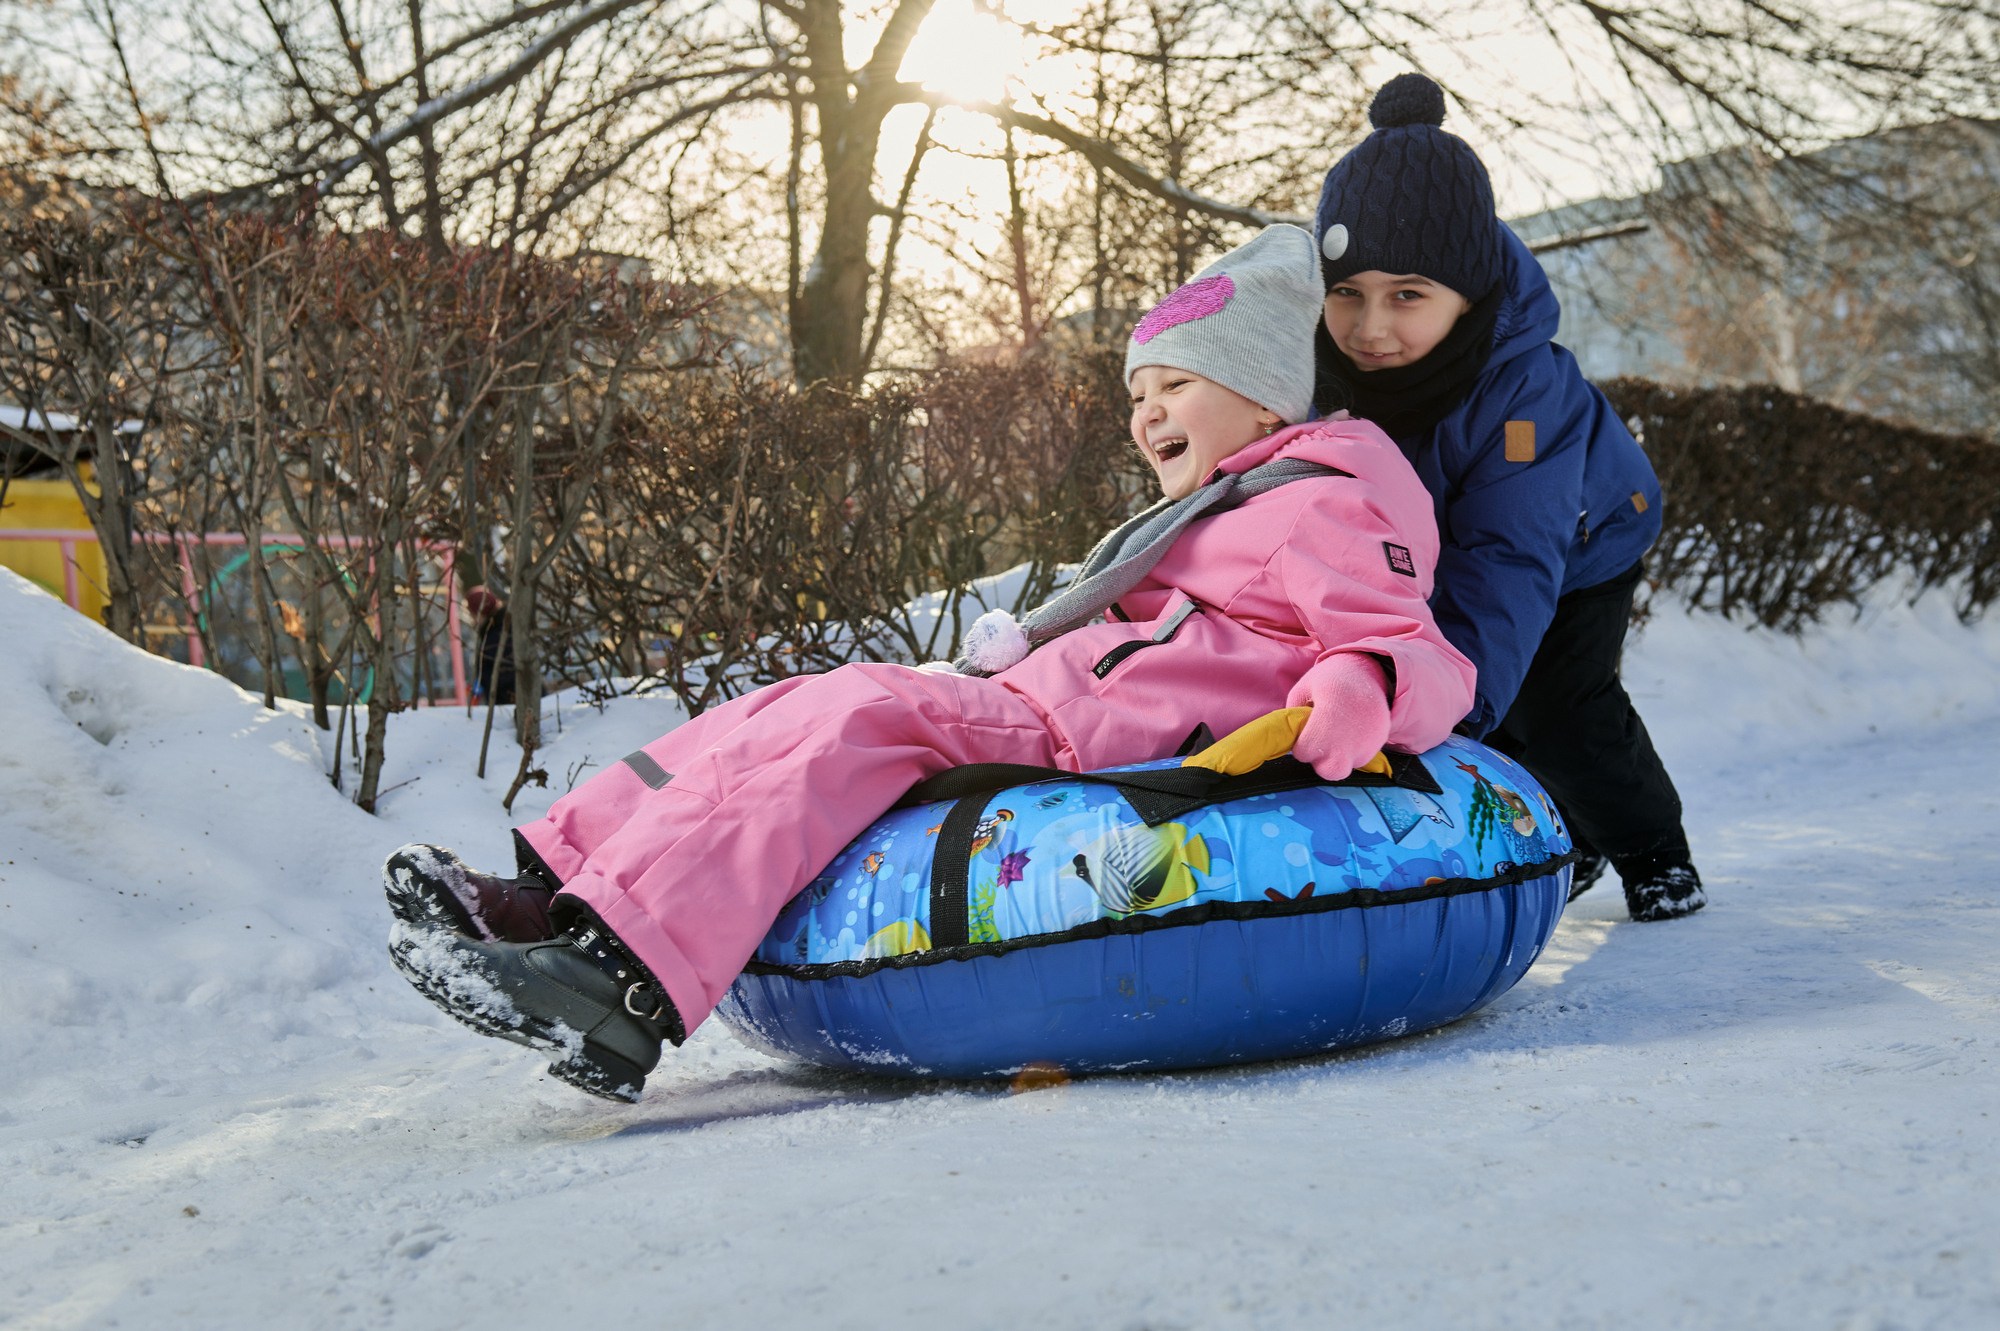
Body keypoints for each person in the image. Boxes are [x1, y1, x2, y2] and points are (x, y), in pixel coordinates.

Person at [383, 225, 1477, 1101]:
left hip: (1091, 741)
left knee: (855, 708)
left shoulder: (1322, 500)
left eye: (1176, 384)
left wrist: (1363, 682)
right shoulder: (1217, 508)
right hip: (1041, 703)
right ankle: (555, 893)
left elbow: (1417, 649)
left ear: (1269, 393)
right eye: (1135, 392)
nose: (1145, 413)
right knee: (782, 703)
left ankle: (615, 982)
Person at [1310, 72, 1704, 924]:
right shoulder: (1324, 373)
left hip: (1577, 545)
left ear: (1469, 290)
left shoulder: (1521, 395)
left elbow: (1511, 559)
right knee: (1491, 688)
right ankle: (1580, 837)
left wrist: (1450, 713)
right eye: (1348, 292)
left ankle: (1651, 850)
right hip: (1451, 548)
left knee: (1556, 704)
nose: (1371, 326)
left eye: (1407, 295)